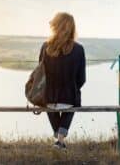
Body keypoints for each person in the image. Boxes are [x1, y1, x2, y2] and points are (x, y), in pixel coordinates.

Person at [38, 12, 86, 149]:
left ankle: (59, 140)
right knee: (72, 105)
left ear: (55, 27)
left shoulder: (44, 47)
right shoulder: (79, 49)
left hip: (49, 98)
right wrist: (72, 87)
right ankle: (60, 139)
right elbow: (81, 79)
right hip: (69, 99)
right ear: (72, 28)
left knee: (50, 106)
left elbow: (40, 75)